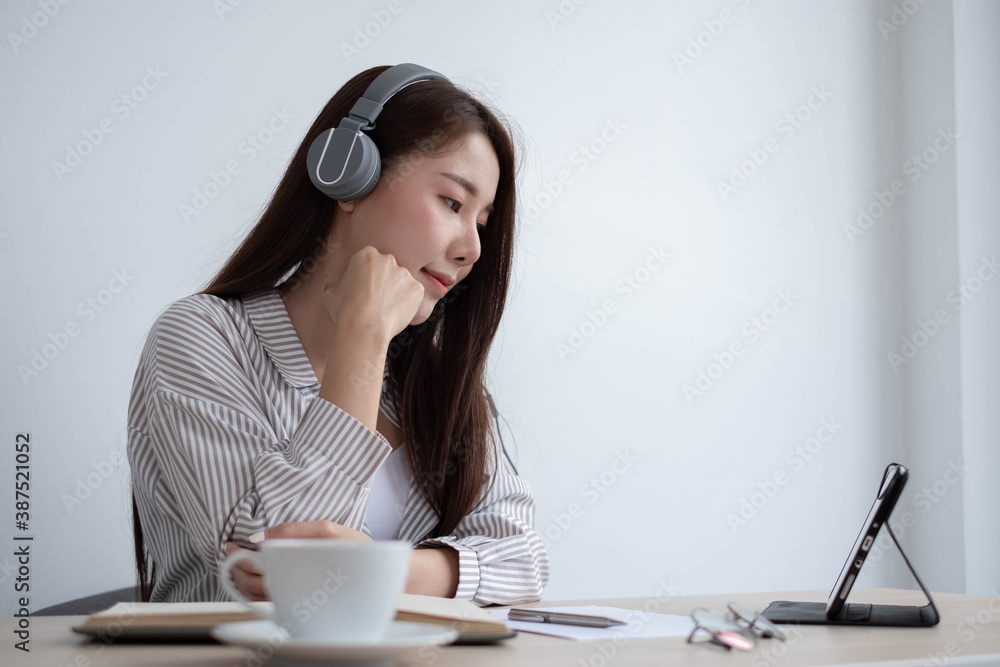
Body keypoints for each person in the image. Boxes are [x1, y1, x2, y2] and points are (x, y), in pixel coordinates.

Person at [126, 64, 550, 607]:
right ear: (348, 177)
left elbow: (523, 558)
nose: (472, 249)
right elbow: (281, 581)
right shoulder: (200, 339)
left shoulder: (432, 378)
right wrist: (363, 340)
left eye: (483, 223)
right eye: (452, 203)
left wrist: (379, 570)